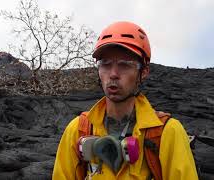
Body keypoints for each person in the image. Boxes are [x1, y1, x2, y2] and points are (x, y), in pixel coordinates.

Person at [52, 21, 198, 180]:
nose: (113, 74)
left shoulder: (167, 133)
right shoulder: (78, 129)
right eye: (105, 64)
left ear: (143, 72)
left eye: (124, 65)